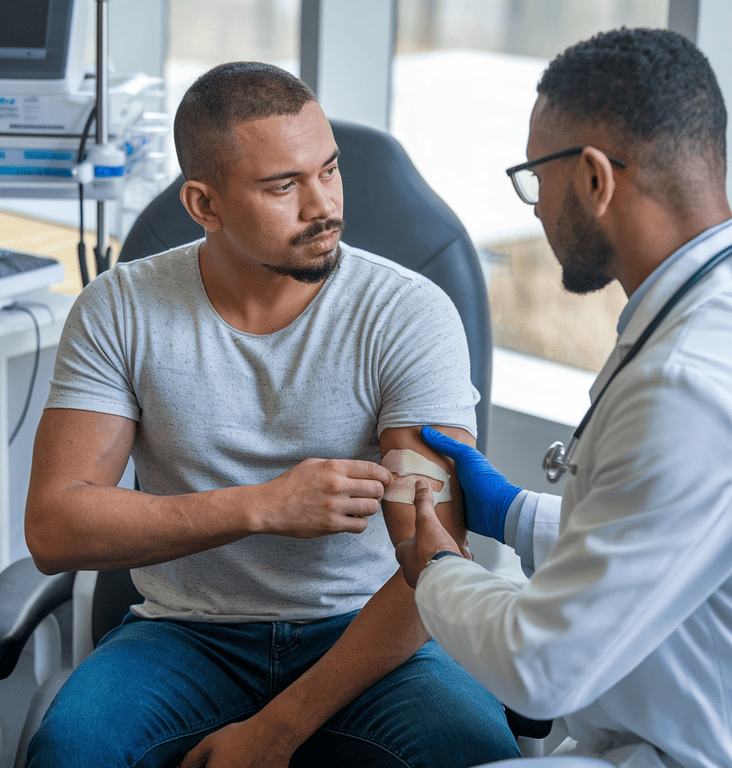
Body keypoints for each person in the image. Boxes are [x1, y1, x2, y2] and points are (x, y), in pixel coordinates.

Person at [23, 62, 520, 768]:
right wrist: (261, 507)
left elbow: (431, 558)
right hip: (186, 635)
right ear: (205, 203)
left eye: (329, 171)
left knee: (474, 754)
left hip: (374, 638)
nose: (323, 206)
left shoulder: (408, 314)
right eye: (284, 186)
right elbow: (55, 527)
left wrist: (278, 730)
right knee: (68, 753)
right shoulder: (120, 309)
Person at [395, 28, 732, 768]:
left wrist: (435, 568)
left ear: (595, 179)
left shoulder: (689, 383)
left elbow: (539, 669)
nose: (534, 209)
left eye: (537, 177)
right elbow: (659, 533)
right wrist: (512, 512)